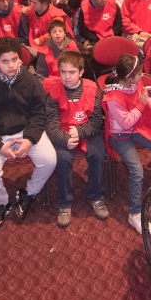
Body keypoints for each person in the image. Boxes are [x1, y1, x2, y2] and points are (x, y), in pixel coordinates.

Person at [0, 37, 57, 232]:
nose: (11, 66)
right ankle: (1, 202)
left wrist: (30, 138)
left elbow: (38, 112)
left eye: (14, 59)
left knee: (50, 159)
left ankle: (28, 193)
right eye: (5, 61)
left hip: (25, 131)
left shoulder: (29, 79)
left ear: (20, 59)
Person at [103, 54, 151, 231]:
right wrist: (143, 105)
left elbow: (143, 97)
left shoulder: (134, 84)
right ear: (128, 77)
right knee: (137, 171)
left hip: (134, 129)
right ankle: (134, 213)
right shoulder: (112, 98)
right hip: (120, 136)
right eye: (139, 73)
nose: (142, 76)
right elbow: (126, 122)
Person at [42, 50, 108, 228]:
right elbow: (51, 124)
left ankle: (96, 196)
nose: (66, 77)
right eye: (63, 72)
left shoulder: (93, 89)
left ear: (81, 72)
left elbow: (96, 122)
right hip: (62, 131)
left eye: (71, 72)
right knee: (62, 159)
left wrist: (79, 132)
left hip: (87, 130)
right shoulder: (53, 91)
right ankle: (64, 203)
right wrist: (65, 139)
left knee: (97, 154)